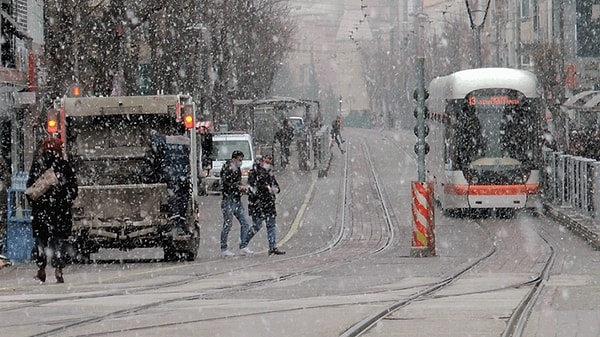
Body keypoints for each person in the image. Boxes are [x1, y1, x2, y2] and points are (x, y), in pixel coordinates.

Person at [26, 137, 78, 283]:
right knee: (59, 241)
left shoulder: (38, 165)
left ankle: (41, 269)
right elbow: (73, 190)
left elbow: (30, 189)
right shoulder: (64, 165)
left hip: (41, 212)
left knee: (41, 241)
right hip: (60, 212)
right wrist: (65, 200)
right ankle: (58, 270)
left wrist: (37, 205)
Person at [149, 123, 191, 236]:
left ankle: (175, 224)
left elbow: (157, 143)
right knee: (183, 198)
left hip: (170, 175)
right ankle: (182, 222)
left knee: (172, 198)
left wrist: (153, 133)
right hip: (183, 176)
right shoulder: (187, 141)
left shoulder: (167, 140)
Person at [242, 154, 286, 255]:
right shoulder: (254, 173)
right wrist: (266, 189)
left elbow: (276, 185)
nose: (267, 164)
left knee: (271, 224)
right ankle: (244, 243)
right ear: (261, 161)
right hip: (257, 203)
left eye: (269, 162)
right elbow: (254, 188)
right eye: (266, 162)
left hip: (268, 203)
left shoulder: (269, 173)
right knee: (257, 225)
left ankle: (272, 246)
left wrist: (275, 189)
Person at [220, 150, 252, 256]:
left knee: (245, 223)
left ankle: (243, 245)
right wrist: (238, 187)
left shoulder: (237, 170)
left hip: (236, 200)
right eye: (239, 160)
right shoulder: (226, 168)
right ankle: (224, 248)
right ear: (234, 159)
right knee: (227, 224)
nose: (240, 162)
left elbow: (236, 182)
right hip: (228, 200)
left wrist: (242, 188)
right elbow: (225, 184)